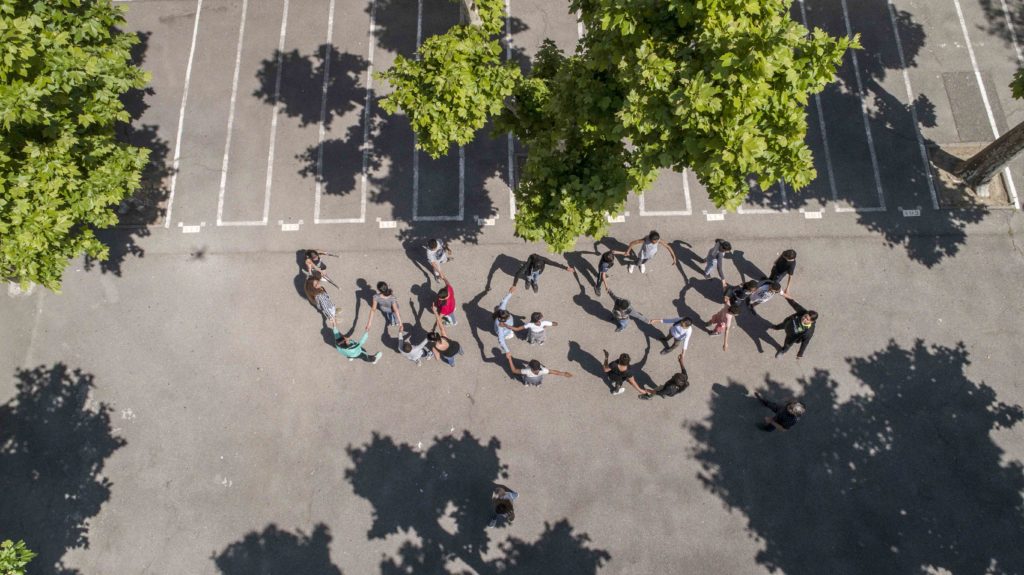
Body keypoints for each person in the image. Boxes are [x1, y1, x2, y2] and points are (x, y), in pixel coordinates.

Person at [771, 293, 818, 359]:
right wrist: (784, 295)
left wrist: (800, 353)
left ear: (811, 321)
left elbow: (805, 343)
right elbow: (794, 304)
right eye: (804, 316)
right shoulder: (803, 312)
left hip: (791, 337)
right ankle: (776, 327)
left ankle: (782, 351)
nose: (803, 319)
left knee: (787, 345)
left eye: (807, 319)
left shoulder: (809, 331)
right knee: (781, 325)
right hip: (787, 324)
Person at [505, 352, 572, 386]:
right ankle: (538, 384)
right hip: (538, 379)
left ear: (530, 367)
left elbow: (514, 370)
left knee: (522, 374)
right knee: (538, 379)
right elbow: (554, 372)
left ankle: (526, 383)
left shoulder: (527, 370)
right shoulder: (543, 370)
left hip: (529, 378)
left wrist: (510, 359)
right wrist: (564, 373)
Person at [492, 287, 517, 353]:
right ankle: (508, 335)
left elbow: (504, 301)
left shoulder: (501, 310)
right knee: (510, 335)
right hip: (506, 332)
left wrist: (510, 293)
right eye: (508, 317)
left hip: (506, 329)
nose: (509, 317)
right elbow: (501, 340)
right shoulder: (500, 326)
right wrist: (507, 351)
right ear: (503, 319)